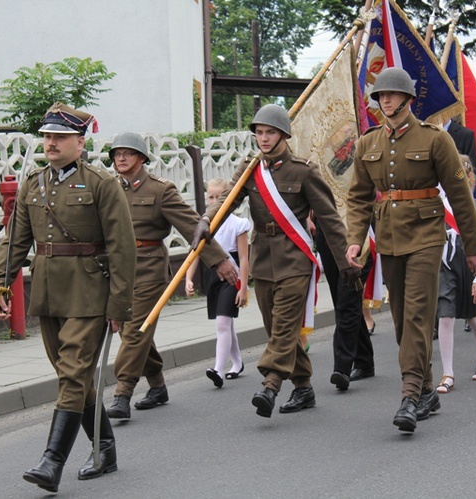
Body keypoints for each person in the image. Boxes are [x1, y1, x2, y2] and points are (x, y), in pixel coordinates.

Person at [0, 102, 136, 492]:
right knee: (74, 376)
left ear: (80, 142)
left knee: (72, 374)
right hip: (50, 294)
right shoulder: (33, 183)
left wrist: (119, 306)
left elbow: (123, 250)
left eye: (59, 137)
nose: (51, 143)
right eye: (47, 137)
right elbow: (14, 243)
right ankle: (104, 446)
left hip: (90, 293)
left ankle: (52, 462)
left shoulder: (102, 184)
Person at [345, 68, 476, 433]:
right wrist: (355, 240)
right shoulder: (367, 143)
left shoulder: (436, 139)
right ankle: (426, 390)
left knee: (419, 316)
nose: (385, 101)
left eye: (391, 95)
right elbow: (359, 198)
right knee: (402, 320)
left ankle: (409, 396)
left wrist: (474, 248)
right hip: (390, 238)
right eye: (380, 96)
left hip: (427, 235)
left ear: (407, 99)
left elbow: (460, 197)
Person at [192, 104, 352, 418]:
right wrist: (206, 221)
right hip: (263, 257)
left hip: (295, 257)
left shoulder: (303, 170)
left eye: (270, 132)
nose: (263, 139)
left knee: (283, 328)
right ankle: (304, 387)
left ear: (283, 135)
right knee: (275, 327)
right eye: (260, 133)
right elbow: (226, 201)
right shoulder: (251, 169)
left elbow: (331, 220)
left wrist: (345, 263)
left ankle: (271, 383)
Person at [106, 132, 238, 420]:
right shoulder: (108, 188)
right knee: (135, 332)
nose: (121, 158)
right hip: (118, 271)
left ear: (141, 158)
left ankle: (122, 392)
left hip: (149, 268)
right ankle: (157, 386)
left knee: (137, 329)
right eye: (117, 154)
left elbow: (192, 226)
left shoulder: (160, 190)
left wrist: (218, 261)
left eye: (128, 153)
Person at [435, 155, 476, 394]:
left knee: (473, 317)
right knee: (445, 315)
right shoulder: (439, 202)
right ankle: (448, 373)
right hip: (445, 263)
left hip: (469, 263)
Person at [185, 178, 250, 387]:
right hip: (213, 277)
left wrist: (244, 288)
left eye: (218, 197)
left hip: (232, 278)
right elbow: (195, 254)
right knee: (226, 323)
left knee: (223, 322)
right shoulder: (204, 225)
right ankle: (237, 362)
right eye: (210, 197)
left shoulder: (238, 224)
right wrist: (188, 278)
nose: (214, 201)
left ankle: (218, 370)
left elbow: (244, 258)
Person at [313, 219, 376, 390]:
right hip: (327, 235)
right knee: (345, 302)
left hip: (355, 236)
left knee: (346, 302)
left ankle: (342, 368)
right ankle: (364, 361)